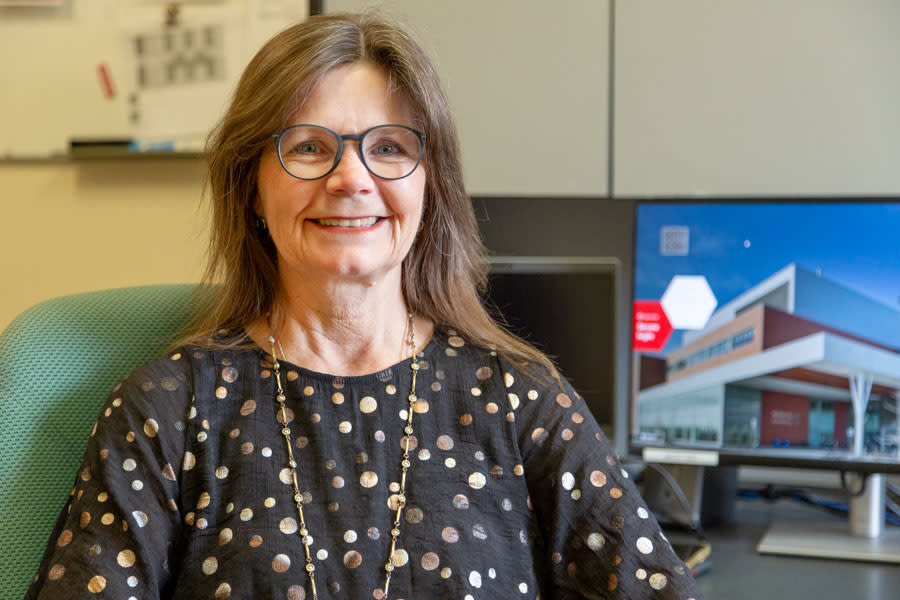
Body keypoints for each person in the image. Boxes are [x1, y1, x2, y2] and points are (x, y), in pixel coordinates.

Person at [26, 12, 703, 600]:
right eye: (310, 148)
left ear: (429, 184)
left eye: (388, 148)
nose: (352, 179)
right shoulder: (168, 411)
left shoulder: (522, 400)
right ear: (252, 189)